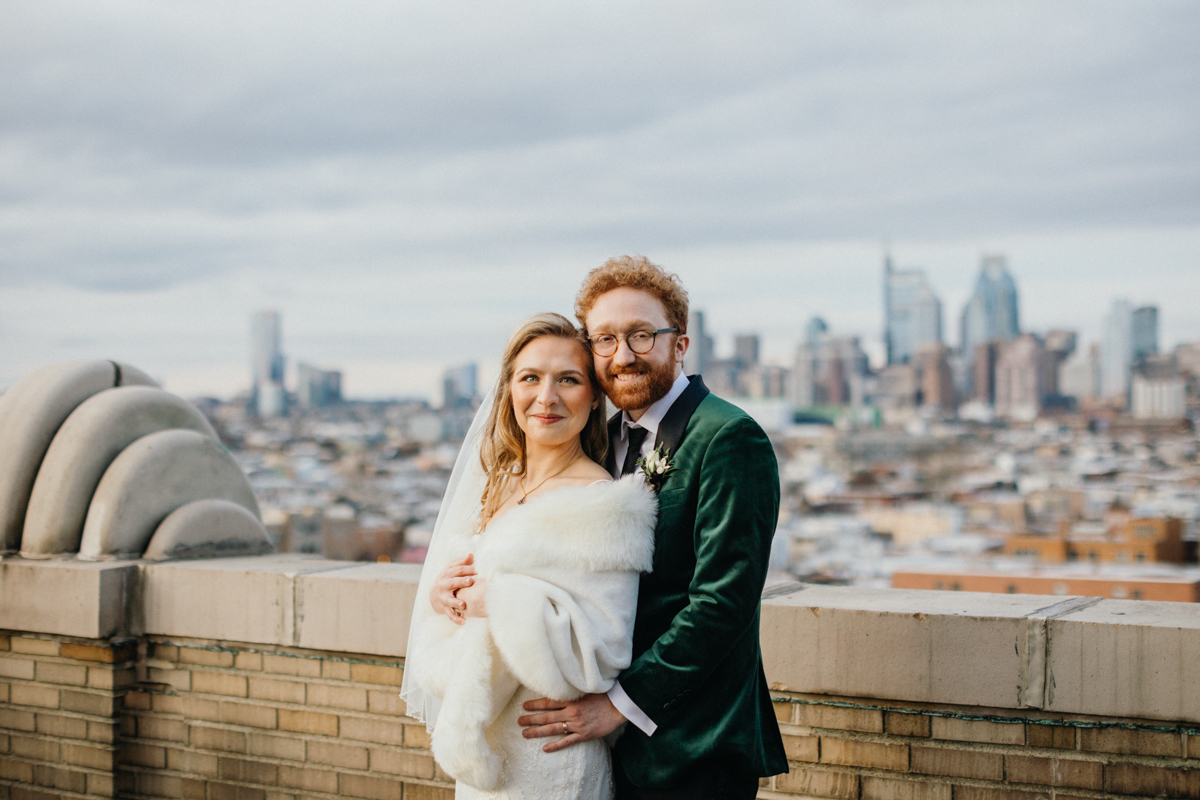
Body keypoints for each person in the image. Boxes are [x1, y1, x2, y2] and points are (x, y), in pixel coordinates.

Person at [516, 256, 788, 799]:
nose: (623, 356)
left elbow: (722, 604)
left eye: (642, 335)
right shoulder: (602, 437)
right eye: (606, 340)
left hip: (693, 746)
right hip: (609, 747)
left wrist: (617, 705)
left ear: (680, 345)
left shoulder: (730, 437)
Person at [401, 312, 658, 799]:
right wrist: (445, 597)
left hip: (549, 760)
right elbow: (466, 616)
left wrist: (497, 601)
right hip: (485, 757)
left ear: (594, 395)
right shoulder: (503, 485)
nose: (547, 397)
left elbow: (599, 655)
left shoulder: (602, 504)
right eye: (531, 378)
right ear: (509, 390)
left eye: (569, 379)